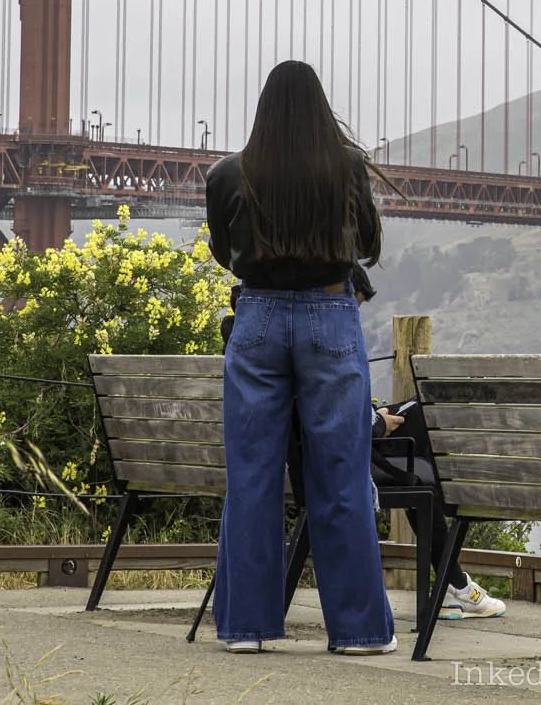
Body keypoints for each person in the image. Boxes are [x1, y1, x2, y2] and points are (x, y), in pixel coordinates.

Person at [206, 61, 396, 655]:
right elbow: (366, 244)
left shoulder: (227, 174)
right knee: (340, 475)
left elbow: (222, 250)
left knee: (252, 475)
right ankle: (360, 632)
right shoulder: (346, 168)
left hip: (257, 318)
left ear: (263, 110)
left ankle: (247, 629)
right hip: (329, 315)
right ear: (320, 109)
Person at [369, 399, 508, 619]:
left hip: (322, 454)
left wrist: (376, 417)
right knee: (422, 413)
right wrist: (377, 422)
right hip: (350, 456)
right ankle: (455, 585)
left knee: (418, 412)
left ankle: (454, 585)